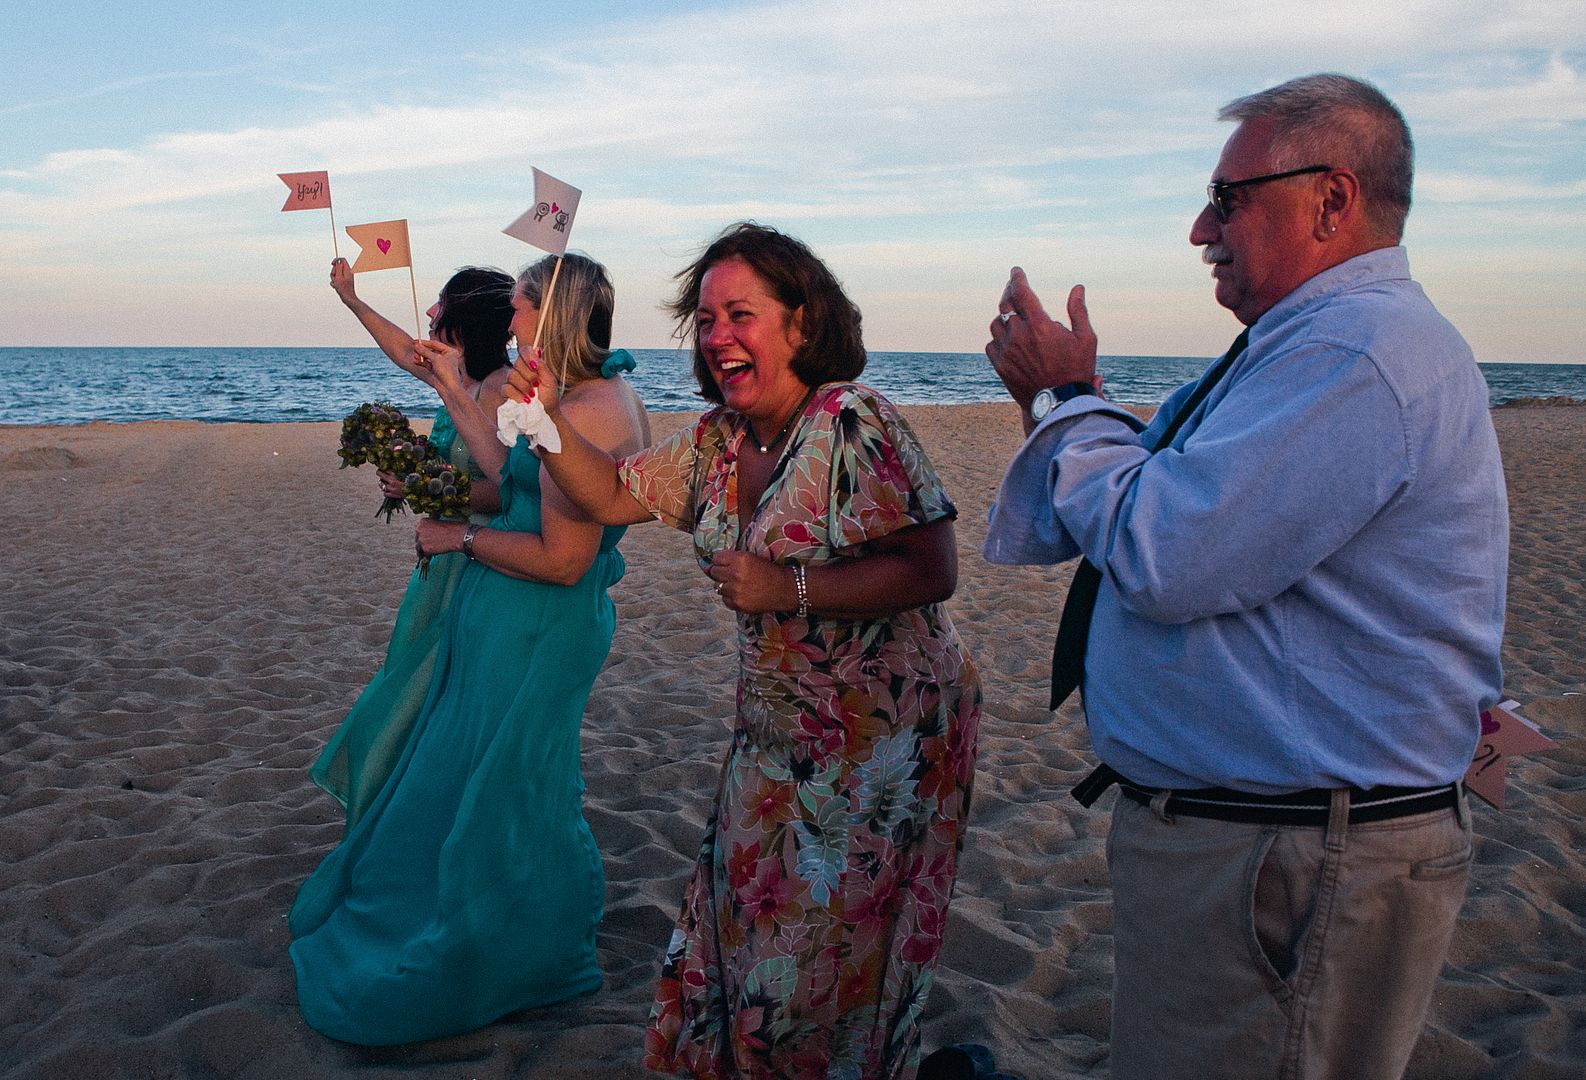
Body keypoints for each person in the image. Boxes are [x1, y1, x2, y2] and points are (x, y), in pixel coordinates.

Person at [982, 74, 1508, 1079]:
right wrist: (1073, 403)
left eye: (1226, 198)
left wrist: (1062, 398)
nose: (1197, 228)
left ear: (1330, 198)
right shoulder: (1297, 349)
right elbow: (1133, 501)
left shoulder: (1358, 351)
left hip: (1293, 860)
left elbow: (1167, 551)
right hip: (1264, 848)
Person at [512, 222, 982, 1078]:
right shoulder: (717, 440)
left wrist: (787, 589)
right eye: (705, 318)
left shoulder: (851, 420)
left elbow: (933, 564)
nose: (718, 335)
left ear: (801, 324)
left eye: (740, 314)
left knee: (822, 961)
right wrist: (543, 421)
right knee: (737, 927)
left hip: (884, 747)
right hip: (772, 737)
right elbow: (611, 497)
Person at [289, 252, 650, 1045]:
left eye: (522, 308)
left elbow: (564, 560)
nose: (511, 322)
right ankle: (522, 941)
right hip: (503, 621)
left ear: (551, 314)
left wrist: (462, 537)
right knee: (494, 783)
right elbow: (507, 469)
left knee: (511, 790)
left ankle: (516, 956)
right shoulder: (564, 397)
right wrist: (457, 394)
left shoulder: (594, 407)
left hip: (538, 627)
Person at [312, 261, 515, 830]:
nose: (429, 314)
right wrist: (352, 299)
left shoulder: (503, 392)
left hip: (477, 563)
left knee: (428, 693)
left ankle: (419, 813)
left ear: (467, 321)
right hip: (441, 561)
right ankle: (395, 807)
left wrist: (425, 486)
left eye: (441, 306)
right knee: (406, 679)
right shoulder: (461, 380)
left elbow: (513, 491)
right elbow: (405, 351)